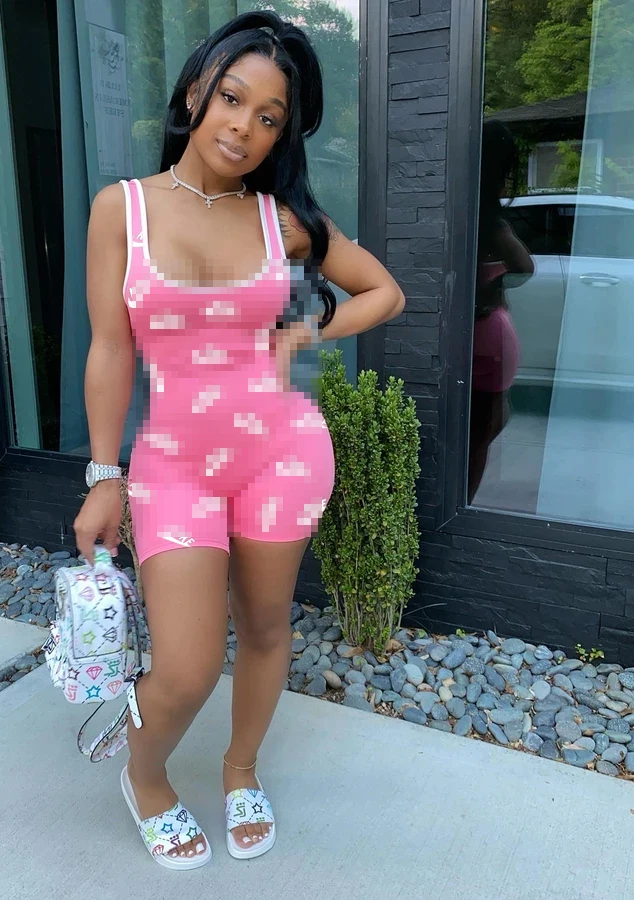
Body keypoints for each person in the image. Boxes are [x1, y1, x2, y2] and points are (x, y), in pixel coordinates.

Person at [73, 10, 404, 869]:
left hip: (281, 455)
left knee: (262, 627)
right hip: (175, 464)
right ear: (195, 92)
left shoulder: (281, 220)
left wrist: (306, 332)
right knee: (185, 668)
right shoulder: (122, 210)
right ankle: (147, 777)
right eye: (231, 97)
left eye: (269, 117)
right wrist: (104, 473)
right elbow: (110, 349)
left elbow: (384, 292)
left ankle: (240, 768)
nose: (244, 126)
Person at [468, 120, 534, 504]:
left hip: (482, 337)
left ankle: (461, 504)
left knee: (479, 431)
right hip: (490, 338)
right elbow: (525, 266)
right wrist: (495, 285)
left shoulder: (474, 218)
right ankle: (464, 502)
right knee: (482, 433)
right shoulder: (491, 222)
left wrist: (488, 285)